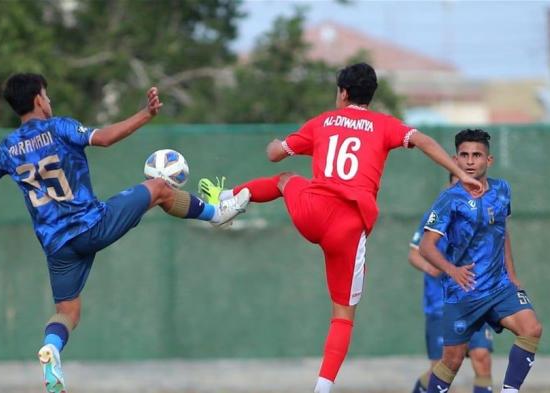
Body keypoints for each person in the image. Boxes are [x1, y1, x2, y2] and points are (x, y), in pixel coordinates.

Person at [197, 63, 483, 393]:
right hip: (349, 228)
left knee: (285, 179)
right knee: (343, 316)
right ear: (370, 96)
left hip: (312, 212)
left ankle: (226, 203)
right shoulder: (384, 125)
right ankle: (322, 388)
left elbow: (274, 154)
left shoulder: (322, 123)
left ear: (343, 93)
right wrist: (461, 174)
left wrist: (280, 142)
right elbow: (425, 141)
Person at [0, 73, 250, 393]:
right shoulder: (59, 127)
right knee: (159, 188)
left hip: (57, 246)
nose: (50, 101)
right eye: (48, 95)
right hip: (91, 226)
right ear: (39, 100)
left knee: (67, 312)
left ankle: (52, 350)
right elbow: (106, 137)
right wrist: (145, 114)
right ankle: (218, 214)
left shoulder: (6, 149)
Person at [419, 129, 542, 393]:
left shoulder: (502, 190)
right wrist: (452, 271)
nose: (470, 161)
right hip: (464, 293)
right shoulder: (449, 199)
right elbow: (425, 247)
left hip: (499, 288)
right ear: (455, 159)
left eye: (477, 155)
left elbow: (501, 232)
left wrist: (513, 275)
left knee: (531, 328)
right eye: (464, 155)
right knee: (450, 362)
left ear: (489, 160)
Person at [409, 173, 494, 393]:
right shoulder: (436, 215)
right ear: (449, 185)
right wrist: (432, 268)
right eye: (458, 181)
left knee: (482, 357)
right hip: (441, 304)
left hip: (474, 302)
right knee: (440, 368)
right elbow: (414, 254)